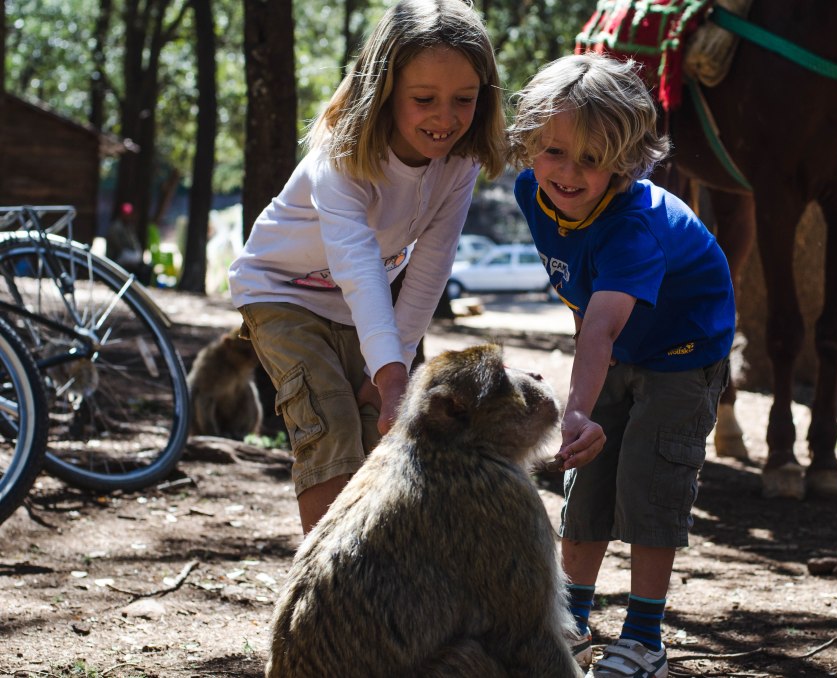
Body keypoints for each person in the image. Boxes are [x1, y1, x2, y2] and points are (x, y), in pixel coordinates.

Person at [228, 0, 505, 535]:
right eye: (424, 99)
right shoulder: (343, 152)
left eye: (464, 100)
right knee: (328, 419)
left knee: (375, 427)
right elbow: (356, 261)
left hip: (357, 306)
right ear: (383, 91)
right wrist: (393, 373)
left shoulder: (460, 162)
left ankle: (373, 573)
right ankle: (327, 591)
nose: (445, 119)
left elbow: (429, 266)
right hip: (280, 291)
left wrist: (393, 362)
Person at [508, 53, 735, 678]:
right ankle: (571, 625)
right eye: (553, 151)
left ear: (627, 160)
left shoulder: (634, 228)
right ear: (530, 144)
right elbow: (585, 303)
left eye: (591, 157)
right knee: (587, 482)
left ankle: (643, 641)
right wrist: (586, 408)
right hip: (617, 344)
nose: (568, 173)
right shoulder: (533, 190)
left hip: (681, 355)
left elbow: (604, 323)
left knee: (650, 486)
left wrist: (575, 406)